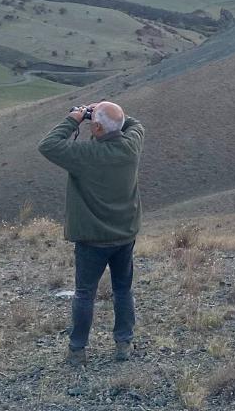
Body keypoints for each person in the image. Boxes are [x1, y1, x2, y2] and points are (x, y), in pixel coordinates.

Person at [37, 101, 145, 367]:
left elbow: (48, 144)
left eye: (93, 121)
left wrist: (75, 118)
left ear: (95, 127)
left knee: (85, 294)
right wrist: (109, 113)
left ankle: (77, 350)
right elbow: (134, 125)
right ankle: (123, 343)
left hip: (92, 240)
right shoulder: (131, 146)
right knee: (123, 289)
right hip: (124, 235)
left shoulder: (84, 155)